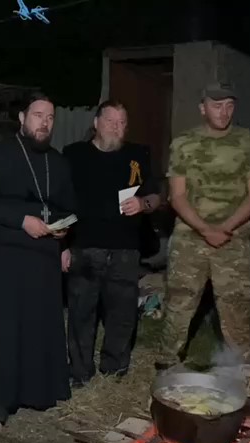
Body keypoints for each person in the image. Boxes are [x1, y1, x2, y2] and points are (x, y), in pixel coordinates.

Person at [0, 92, 77, 425]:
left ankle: (38, 392)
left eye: (50, 117)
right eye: (38, 115)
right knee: (3, 326)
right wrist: (21, 220)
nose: (44, 123)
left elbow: (67, 206)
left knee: (38, 324)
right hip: (4, 255)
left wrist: (64, 235)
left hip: (44, 256)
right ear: (22, 117)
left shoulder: (57, 161)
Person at [158, 82, 250, 369]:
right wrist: (205, 230)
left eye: (229, 106)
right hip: (190, 237)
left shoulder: (247, 141)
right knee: (179, 303)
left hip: (234, 238)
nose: (224, 112)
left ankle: (240, 370)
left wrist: (226, 228)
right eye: (217, 106)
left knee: (236, 306)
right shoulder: (184, 143)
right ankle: (167, 365)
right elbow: (177, 196)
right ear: (202, 108)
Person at [62, 100, 161, 386]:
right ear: (96, 123)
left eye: (122, 123)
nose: (117, 128)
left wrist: (143, 203)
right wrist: (62, 246)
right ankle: (80, 372)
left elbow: (156, 197)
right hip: (84, 246)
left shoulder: (137, 155)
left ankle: (114, 370)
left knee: (122, 314)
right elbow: (60, 202)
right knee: (81, 313)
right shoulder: (74, 155)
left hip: (125, 249)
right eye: (110, 121)